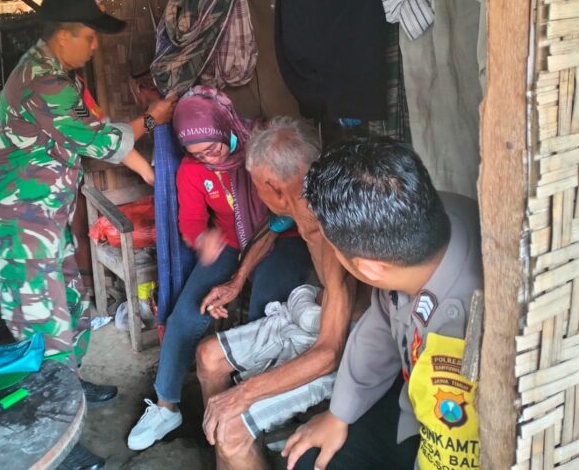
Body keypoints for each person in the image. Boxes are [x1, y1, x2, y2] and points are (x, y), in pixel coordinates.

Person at [0, 0, 176, 469]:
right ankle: (54, 440)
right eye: (88, 35)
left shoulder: (62, 74)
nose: (94, 45)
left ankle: (69, 385)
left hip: (45, 216)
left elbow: (103, 134)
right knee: (40, 326)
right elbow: (102, 140)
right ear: (62, 35)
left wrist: (154, 175)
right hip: (19, 225)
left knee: (71, 305)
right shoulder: (44, 82)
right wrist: (152, 120)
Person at [127, 90, 314, 452]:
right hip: (230, 242)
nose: (209, 158)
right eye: (197, 154)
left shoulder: (261, 148)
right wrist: (202, 240)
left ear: (224, 126)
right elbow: (192, 221)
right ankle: (166, 406)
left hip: (283, 236)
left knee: (266, 311)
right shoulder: (192, 170)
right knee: (186, 313)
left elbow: (282, 215)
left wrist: (238, 278)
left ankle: (266, 406)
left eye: (212, 148)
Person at [282, 137, 483, 470]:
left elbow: (453, 451)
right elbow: (381, 323)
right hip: (412, 404)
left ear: (370, 269)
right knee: (310, 459)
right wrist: (339, 414)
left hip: (458, 441)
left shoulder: (462, 330)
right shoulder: (427, 218)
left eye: (334, 249)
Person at [193, 117, 369, 470]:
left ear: (274, 188)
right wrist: (237, 280)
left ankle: (234, 440)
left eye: (257, 186)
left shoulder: (332, 229)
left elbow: (329, 353)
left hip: (346, 342)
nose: (257, 194)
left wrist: (242, 395)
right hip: (308, 311)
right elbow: (272, 227)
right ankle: (230, 457)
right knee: (208, 356)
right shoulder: (302, 198)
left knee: (231, 426)